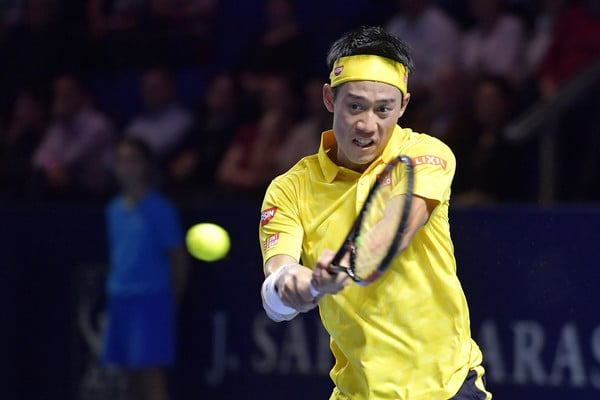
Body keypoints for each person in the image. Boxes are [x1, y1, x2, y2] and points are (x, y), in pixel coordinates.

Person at [258, 26, 492, 399]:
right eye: (355, 106)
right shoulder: (290, 188)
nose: (368, 124)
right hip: (355, 392)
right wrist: (291, 285)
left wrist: (347, 264)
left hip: (444, 389)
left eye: (384, 109)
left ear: (403, 106)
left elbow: (398, 227)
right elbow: (277, 284)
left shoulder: (425, 155)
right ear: (329, 98)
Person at [102, 137, 189, 400]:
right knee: (129, 376)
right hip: (119, 300)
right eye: (121, 160)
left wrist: (173, 300)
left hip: (152, 301)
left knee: (152, 376)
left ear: (146, 166)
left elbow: (179, 259)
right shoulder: (113, 209)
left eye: (133, 160)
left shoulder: (162, 210)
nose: (126, 167)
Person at [32, 73, 115, 202]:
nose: (61, 99)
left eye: (67, 93)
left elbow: (71, 158)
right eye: (58, 94)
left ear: (81, 95)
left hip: (95, 194)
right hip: (65, 186)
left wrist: (52, 166)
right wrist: (50, 167)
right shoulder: (58, 125)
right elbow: (39, 157)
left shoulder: (98, 125)